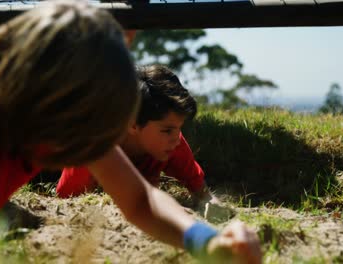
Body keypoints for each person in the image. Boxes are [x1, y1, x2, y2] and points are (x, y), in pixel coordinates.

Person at [0, 1, 261, 263]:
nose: (99, 138)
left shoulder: (48, 106)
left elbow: (139, 200)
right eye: (93, 117)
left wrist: (208, 242)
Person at [56, 65, 220, 208]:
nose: (177, 139)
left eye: (179, 128)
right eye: (167, 130)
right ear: (133, 124)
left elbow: (202, 192)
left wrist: (212, 205)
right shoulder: (94, 146)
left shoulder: (172, 143)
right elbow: (66, 197)